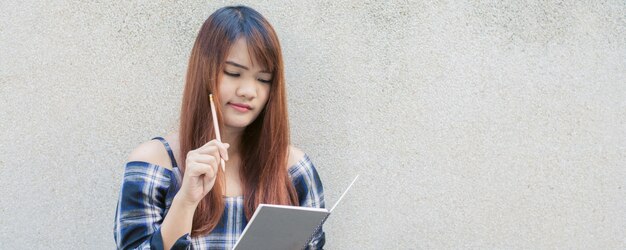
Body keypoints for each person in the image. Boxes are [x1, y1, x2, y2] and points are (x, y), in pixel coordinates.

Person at [114, 5, 325, 250]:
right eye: (234, 73)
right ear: (204, 73)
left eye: (263, 79)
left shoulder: (293, 169)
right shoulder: (155, 165)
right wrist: (185, 200)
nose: (248, 91)